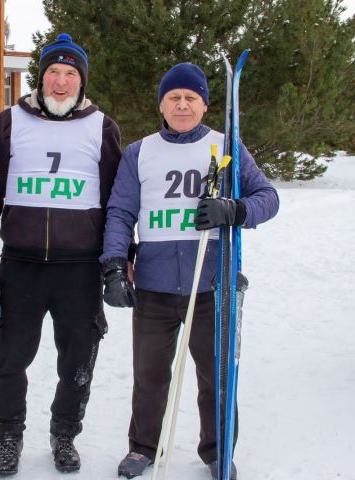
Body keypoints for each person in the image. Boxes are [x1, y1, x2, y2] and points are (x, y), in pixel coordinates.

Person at [100, 63, 279, 479]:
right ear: (161, 104)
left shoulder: (226, 145)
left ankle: (217, 450)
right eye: (174, 98)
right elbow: (121, 212)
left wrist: (235, 210)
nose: (182, 105)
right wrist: (113, 265)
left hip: (211, 283)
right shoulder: (140, 152)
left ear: (204, 104)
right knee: (149, 374)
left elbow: (268, 197)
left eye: (191, 98)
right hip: (154, 285)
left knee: (215, 375)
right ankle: (143, 447)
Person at [0, 33, 122, 476]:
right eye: (53, 72)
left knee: (77, 361)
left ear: (81, 81)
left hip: (80, 269)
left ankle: (63, 434)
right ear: (41, 77)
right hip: (21, 265)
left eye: (70, 74)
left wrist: (119, 255)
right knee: (8, 359)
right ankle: (9, 436)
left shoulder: (102, 126)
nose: (60, 82)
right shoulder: (10, 121)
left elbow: (117, 201)